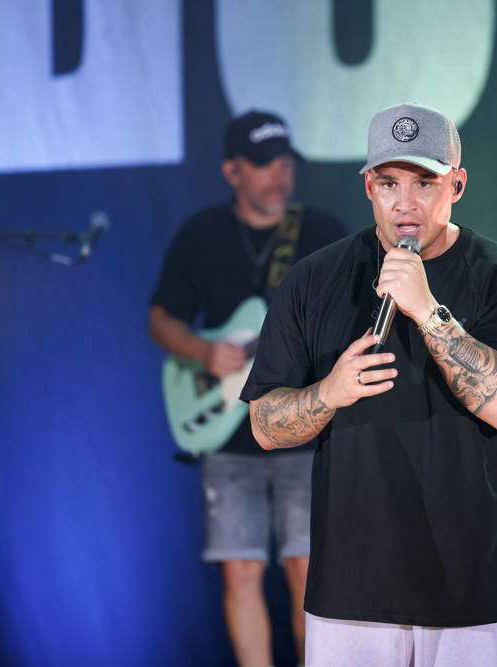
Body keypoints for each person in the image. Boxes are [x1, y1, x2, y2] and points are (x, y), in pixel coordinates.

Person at [240, 103, 497, 666]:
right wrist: (328, 392)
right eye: (388, 183)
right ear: (368, 188)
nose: (405, 204)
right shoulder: (313, 279)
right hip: (352, 590)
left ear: (457, 184)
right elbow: (264, 426)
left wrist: (428, 311)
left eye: (424, 183)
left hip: (474, 586)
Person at [149, 110, 345, 666]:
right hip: (228, 434)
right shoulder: (203, 234)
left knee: (308, 573)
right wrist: (205, 351)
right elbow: (160, 319)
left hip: (304, 429)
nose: (279, 176)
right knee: (240, 570)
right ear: (232, 171)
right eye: (264, 165)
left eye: (285, 162)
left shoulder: (322, 232)